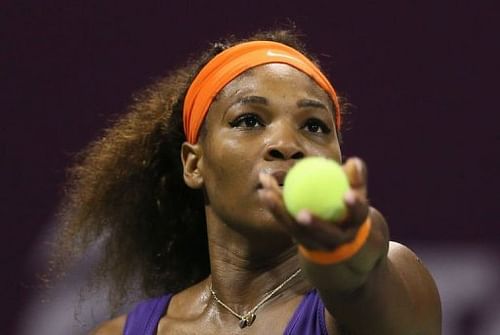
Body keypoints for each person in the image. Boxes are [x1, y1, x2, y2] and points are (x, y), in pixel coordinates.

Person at [55, 28, 441, 334]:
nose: (288, 145)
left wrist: (346, 255)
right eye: (249, 120)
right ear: (194, 164)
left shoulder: (389, 278)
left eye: (314, 125)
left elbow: (363, 286)